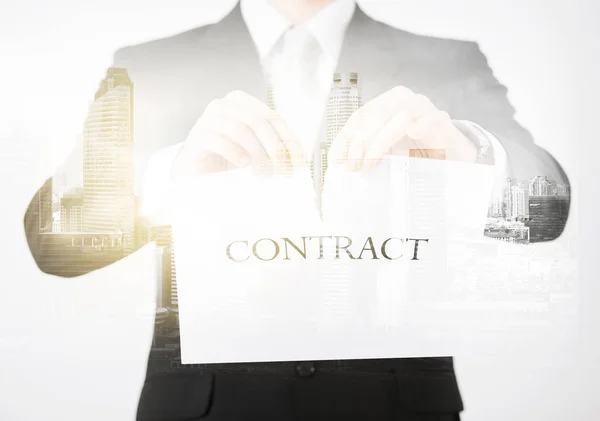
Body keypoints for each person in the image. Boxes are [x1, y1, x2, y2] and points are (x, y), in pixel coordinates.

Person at [23, 0, 571, 420]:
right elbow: (54, 239)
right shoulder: (149, 64)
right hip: (206, 405)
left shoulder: (447, 60)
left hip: (396, 403)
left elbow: (546, 209)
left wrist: (467, 153)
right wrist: (167, 176)